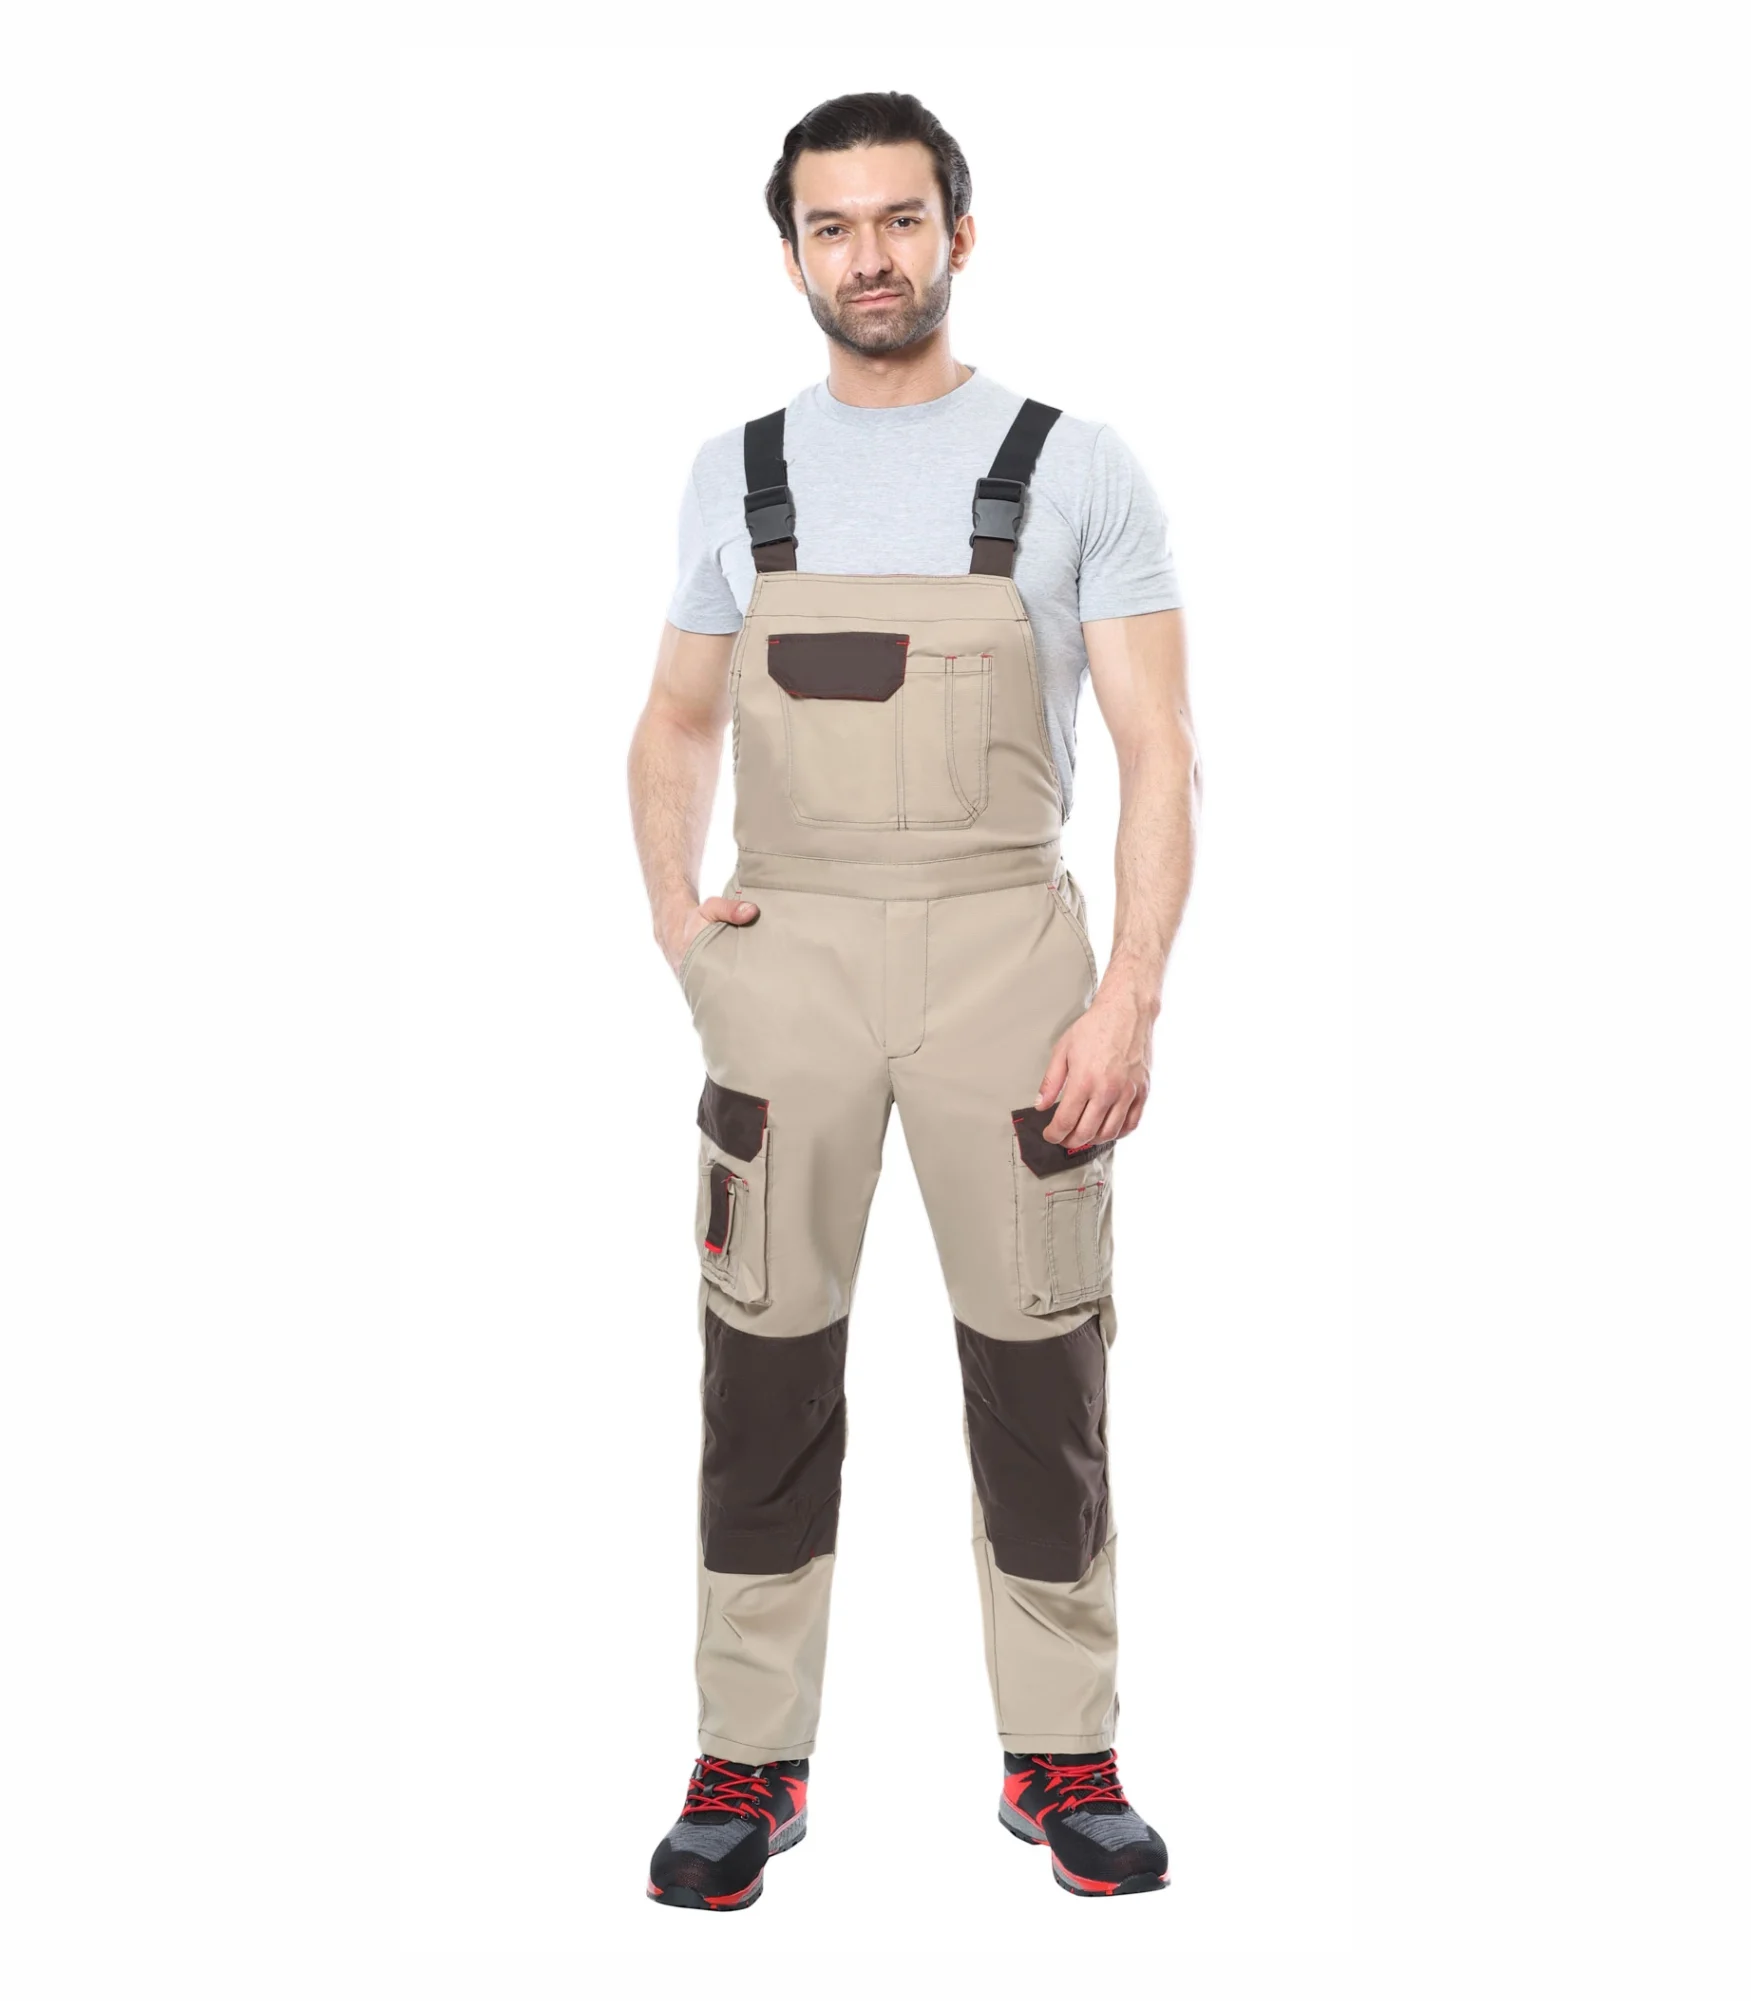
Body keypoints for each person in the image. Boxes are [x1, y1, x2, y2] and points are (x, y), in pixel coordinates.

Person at [627, 90, 1200, 1910]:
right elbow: (674, 721)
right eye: (831, 226)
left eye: (897, 220)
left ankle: (1061, 1750)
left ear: (959, 232)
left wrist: (1128, 998)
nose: (866, 257)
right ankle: (747, 1757)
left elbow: (1161, 750)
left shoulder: (1077, 465)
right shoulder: (737, 471)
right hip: (784, 956)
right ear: (792, 252)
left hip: (1007, 963)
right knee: (763, 1365)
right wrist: (681, 926)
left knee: (1042, 1366)